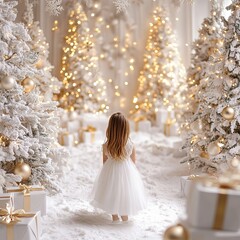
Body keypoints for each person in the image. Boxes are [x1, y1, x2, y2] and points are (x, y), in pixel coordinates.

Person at [90, 112, 147, 223]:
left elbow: (105, 161)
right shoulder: (130, 144)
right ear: (125, 128)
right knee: (125, 194)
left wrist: (107, 175)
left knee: (112, 193)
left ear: (110, 128)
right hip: (127, 172)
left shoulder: (106, 145)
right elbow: (133, 162)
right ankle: (125, 218)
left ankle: (115, 218)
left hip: (110, 172)